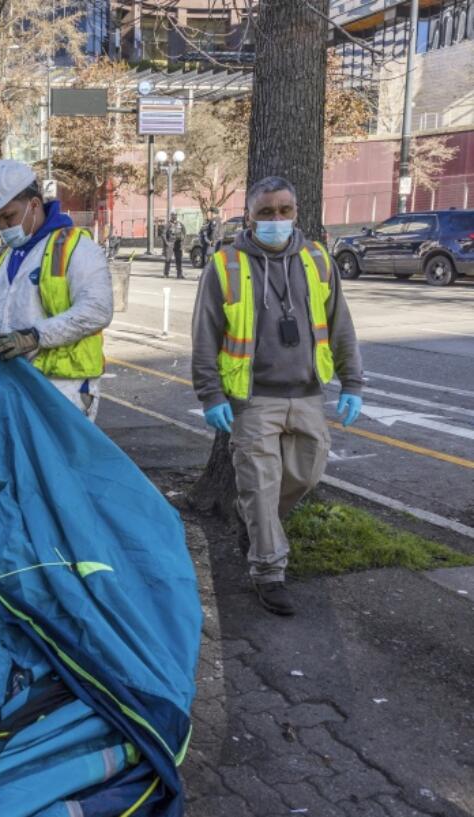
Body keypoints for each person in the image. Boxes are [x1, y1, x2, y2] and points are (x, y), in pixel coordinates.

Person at [191, 175, 364, 617]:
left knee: (306, 475)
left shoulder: (317, 260)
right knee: (261, 484)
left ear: (296, 213)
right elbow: (204, 337)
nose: (276, 219)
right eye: (266, 212)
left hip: (308, 395)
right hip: (253, 399)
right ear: (248, 216)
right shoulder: (226, 265)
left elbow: (340, 326)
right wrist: (211, 396)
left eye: (284, 211)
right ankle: (268, 571)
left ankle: (255, 518)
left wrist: (353, 383)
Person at [0, 159, 113, 420]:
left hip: (62, 388)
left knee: (57, 462)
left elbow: (97, 310)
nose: (4, 227)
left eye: (9, 217)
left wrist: (33, 337)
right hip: (11, 385)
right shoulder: (2, 258)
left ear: (34, 204)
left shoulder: (77, 248)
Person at [162, 211, 185, 279]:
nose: (174, 217)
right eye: (173, 215)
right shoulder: (168, 225)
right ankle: (166, 273)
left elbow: (184, 232)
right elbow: (163, 234)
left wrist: (182, 242)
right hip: (170, 243)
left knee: (179, 259)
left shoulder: (180, 224)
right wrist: (167, 243)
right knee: (168, 259)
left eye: (175, 215)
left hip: (178, 243)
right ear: (171, 216)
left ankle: (179, 274)